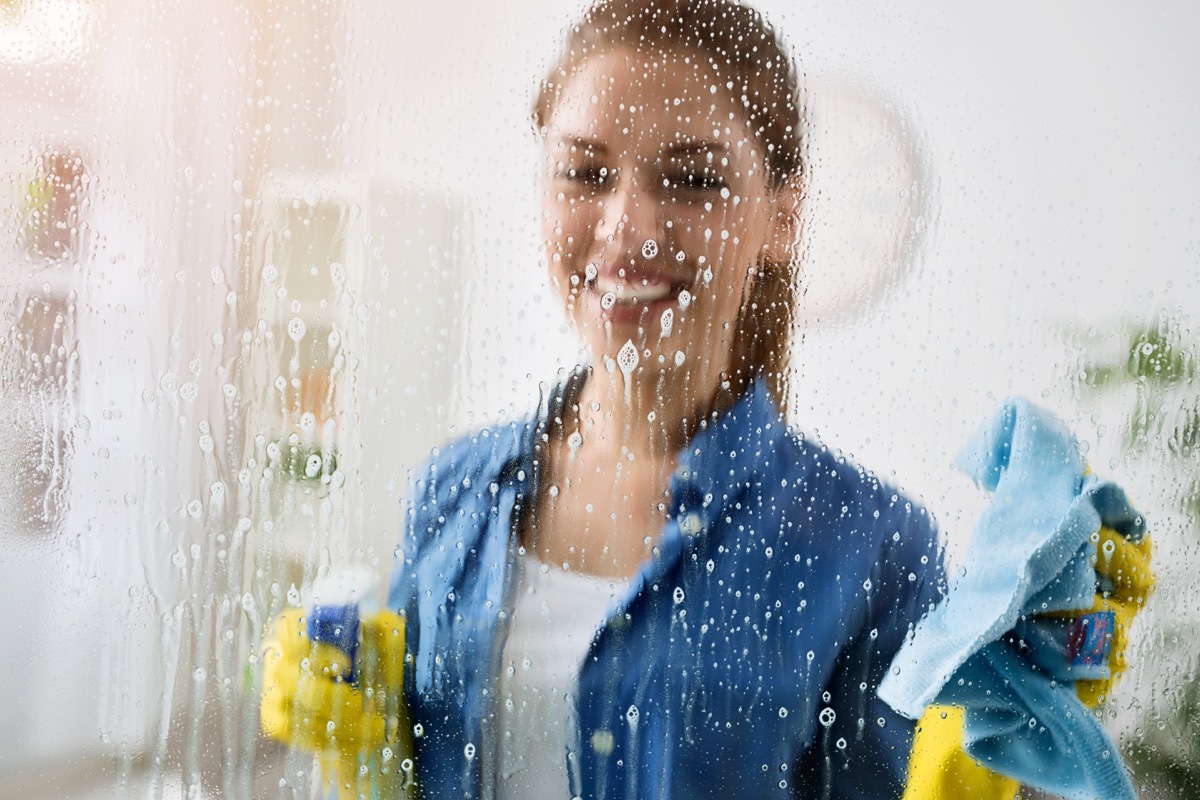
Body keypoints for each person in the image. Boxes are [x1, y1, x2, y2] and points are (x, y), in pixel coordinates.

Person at [260, 1, 1154, 798]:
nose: (629, 229)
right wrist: (359, 752)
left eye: (691, 180)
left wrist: (993, 760)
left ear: (782, 219)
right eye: (585, 172)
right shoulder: (452, 492)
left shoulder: (875, 550)